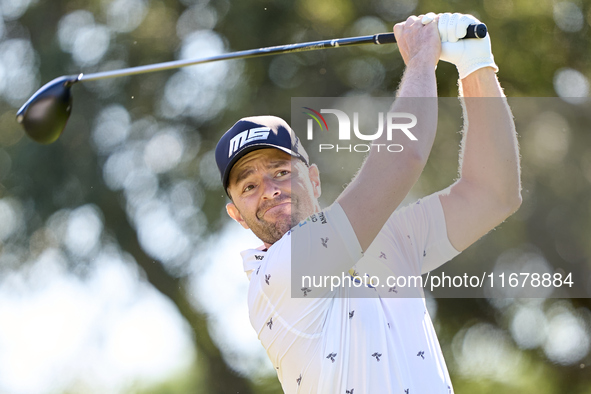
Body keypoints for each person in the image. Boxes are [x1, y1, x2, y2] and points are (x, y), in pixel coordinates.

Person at [214, 12, 521, 394]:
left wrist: (476, 67)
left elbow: (494, 194)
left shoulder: (387, 241)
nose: (270, 190)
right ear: (237, 216)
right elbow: (402, 158)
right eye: (248, 187)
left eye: (280, 172)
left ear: (313, 179)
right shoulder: (277, 276)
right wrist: (422, 59)